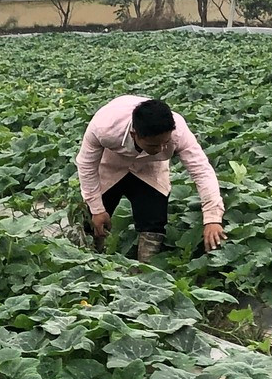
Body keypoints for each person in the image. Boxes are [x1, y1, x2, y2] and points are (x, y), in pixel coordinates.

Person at [76, 95, 226, 263]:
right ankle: (90, 262)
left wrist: (212, 218)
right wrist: (97, 209)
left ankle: (147, 273)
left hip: (150, 168)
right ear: (134, 135)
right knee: (93, 223)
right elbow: (86, 165)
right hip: (111, 164)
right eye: (154, 145)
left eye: (165, 143)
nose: (162, 148)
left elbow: (202, 171)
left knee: (153, 222)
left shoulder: (179, 132)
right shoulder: (103, 128)